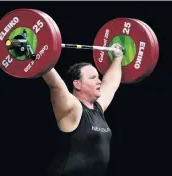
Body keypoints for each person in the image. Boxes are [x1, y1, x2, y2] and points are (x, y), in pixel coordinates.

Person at [42, 43, 124, 176]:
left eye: (98, 77)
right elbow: (56, 85)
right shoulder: (73, 108)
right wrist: (37, 56)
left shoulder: (97, 108)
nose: (99, 81)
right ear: (77, 84)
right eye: (93, 78)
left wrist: (118, 57)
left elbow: (111, 83)